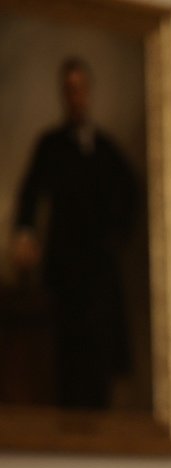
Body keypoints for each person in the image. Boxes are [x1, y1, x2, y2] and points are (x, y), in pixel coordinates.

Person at [11, 57, 137, 410]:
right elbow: (30, 194)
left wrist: (117, 235)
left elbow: (131, 191)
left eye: (81, 89)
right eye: (69, 90)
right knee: (65, 359)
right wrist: (25, 235)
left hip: (98, 271)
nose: (76, 97)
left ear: (89, 94)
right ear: (63, 95)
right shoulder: (50, 144)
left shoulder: (106, 148)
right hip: (64, 268)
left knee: (99, 362)